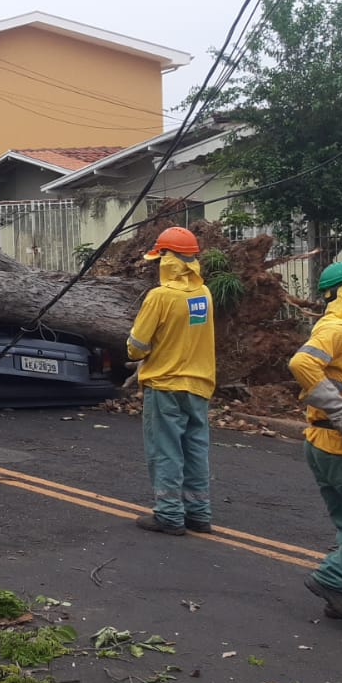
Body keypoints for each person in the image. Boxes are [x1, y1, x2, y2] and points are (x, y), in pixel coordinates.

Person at [288, 261, 342, 622]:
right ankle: (331, 577)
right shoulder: (335, 331)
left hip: (323, 440)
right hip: (340, 444)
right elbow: (301, 363)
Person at [125, 226, 216, 536]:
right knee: (195, 449)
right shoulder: (203, 294)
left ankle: (169, 514)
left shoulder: (159, 297)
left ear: (166, 258)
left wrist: (143, 349)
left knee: (166, 450)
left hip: (165, 386)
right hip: (200, 385)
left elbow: (136, 346)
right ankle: (199, 513)